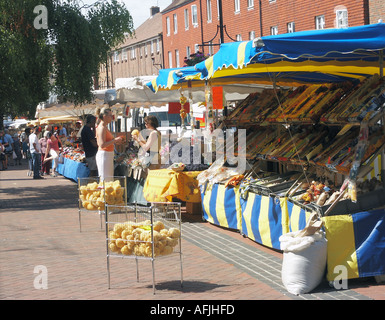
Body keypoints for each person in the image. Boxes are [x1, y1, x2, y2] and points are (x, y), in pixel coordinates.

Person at [95, 106, 123, 181]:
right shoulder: (102, 128)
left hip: (108, 154)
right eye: (110, 115)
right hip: (104, 155)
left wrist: (115, 141)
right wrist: (114, 140)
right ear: (104, 116)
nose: (112, 117)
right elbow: (102, 144)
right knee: (105, 179)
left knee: (109, 179)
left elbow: (106, 142)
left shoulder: (104, 127)